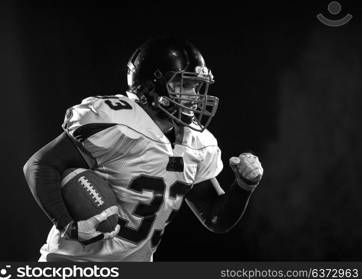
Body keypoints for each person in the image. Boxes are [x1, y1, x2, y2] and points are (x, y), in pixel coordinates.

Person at [23, 36, 264, 262]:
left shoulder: (198, 143)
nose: (195, 96)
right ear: (152, 84)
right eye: (185, 85)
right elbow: (40, 165)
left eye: (198, 87)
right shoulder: (118, 121)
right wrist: (68, 225)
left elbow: (215, 218)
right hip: (70, 265)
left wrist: (243, 186)